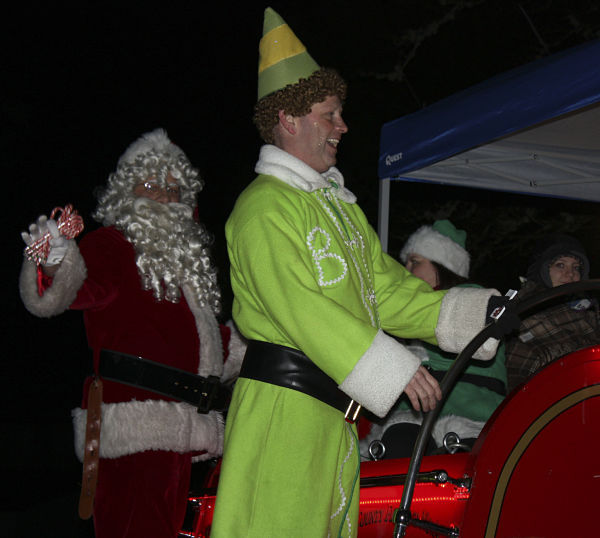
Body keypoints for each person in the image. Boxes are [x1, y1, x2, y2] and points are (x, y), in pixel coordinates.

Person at [210, 8, 504, 537]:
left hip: (332, 415)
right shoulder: (263, 207)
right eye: (330, 114)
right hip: (283, 413)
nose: (343, 126)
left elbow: (387, 291)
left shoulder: (341, 212)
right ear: (289, 119)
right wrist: (393, 368)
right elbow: (298, 304)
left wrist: (480, 314)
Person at [19, 129, 245, 538]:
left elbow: (209, 347)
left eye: (173, 188)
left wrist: (263, 341)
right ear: (128, 193)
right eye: (151, 185)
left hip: (179, 434)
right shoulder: (112, 245)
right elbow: (76, 287)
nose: (163, 196)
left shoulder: (186, 270)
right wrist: (53, 260)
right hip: (134, 432)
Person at [360, 220, 508, 459]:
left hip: (469, 414)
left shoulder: (474, 303)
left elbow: (444, 348)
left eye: (415, 262)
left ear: (443, 265)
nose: (406, 268)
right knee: (397, 443)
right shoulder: (405, 313)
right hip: (413, 416)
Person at [505, 233, 600, 392]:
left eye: (576, 268)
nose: (570, 274)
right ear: (542, 270)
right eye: (560, 265)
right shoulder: (522, 314)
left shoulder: (591, 312)